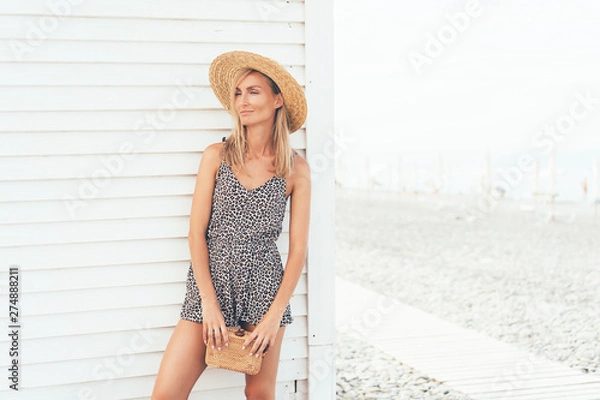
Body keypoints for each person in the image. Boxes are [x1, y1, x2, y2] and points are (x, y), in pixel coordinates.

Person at [151, 50, 311, 400]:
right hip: (211, 285)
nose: (243, 101)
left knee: (259, 393)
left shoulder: (296, 170)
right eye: (238, 93)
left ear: (277, 99)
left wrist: (274, 316)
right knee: (166, 395)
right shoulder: (216, 155)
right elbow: (196, 233)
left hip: (265, 289)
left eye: (253, 91)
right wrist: (208, 304)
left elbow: (298, 248)